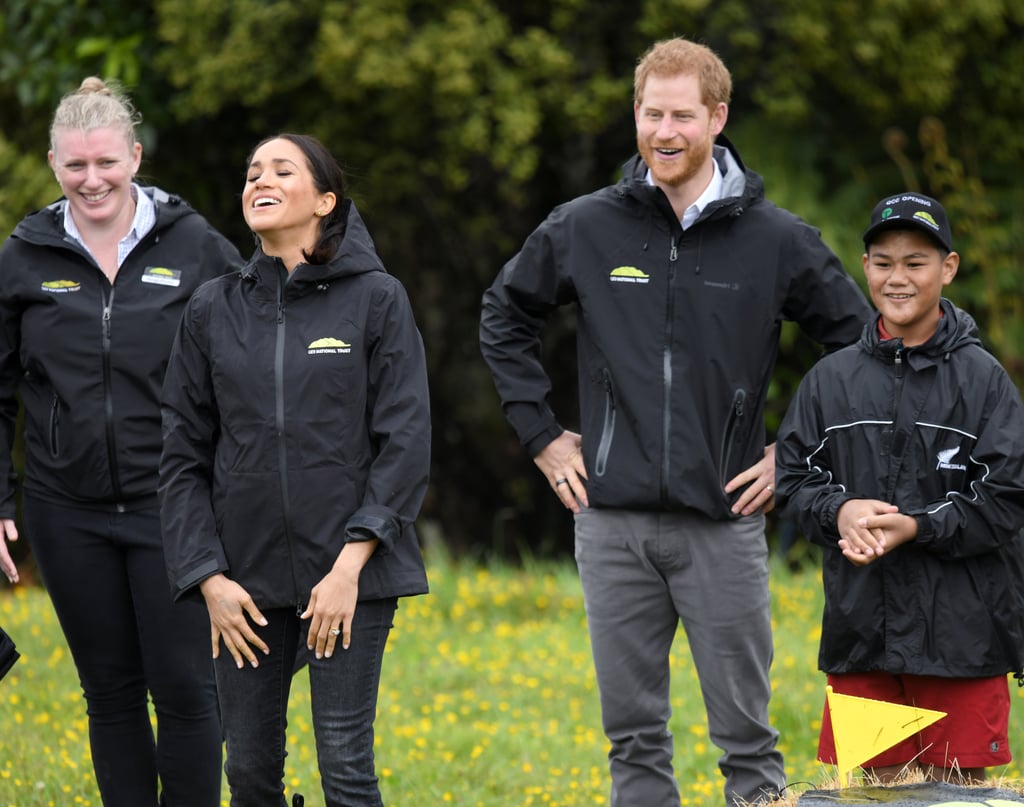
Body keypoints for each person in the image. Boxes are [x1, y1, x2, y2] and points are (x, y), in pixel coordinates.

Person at [479, 36, 872, 807]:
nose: (665, 131)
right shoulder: (585, 226)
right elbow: (504, 314)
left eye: (682, 116)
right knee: (633, 738)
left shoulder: (778, 239)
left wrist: (792, 456)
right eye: (651, 113)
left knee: (748, 744)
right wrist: (542, 434)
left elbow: (859, 343)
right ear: (636, 115)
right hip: (610, 521)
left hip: (722, 524)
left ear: (717, 118)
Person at [158, 133, 431, 807]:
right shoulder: (211, 308)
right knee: (249, 773)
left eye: (282, 170)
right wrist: (209, 578)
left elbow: (405, 440)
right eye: (252, 171)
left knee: (344, 765)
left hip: (349, 576)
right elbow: (181, 456)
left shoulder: (377, 299)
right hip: (242, 583)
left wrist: (349, 567)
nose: (260, 180)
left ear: (325, 200)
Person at [0, 77, 241, 806]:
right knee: (107, 691)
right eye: (75, 166)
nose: (92, 179)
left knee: (188, 689)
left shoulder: (197, 247)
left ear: (135, 156)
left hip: (174, 505)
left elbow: (257, 362)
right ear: (52, 164)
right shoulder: (24, 256)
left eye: (106, 162)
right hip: (63, 508)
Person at [775, 192, 1024, 784]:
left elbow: (1008, 496)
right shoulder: (829, 380)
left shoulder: (984, 380)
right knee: (878, 796)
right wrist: (839, 511)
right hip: (863, 635)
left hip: (964, 641)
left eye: (916, 262)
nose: (898, 277)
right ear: (865, 268)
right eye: (883, 261)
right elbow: (790, 481)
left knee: (958, 798)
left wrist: (918, 526)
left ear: (949, 268)